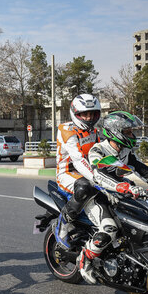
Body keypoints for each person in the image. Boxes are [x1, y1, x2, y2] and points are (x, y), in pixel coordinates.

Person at [77, 111, 148, 284]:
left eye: (131, 131)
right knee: (109, 229)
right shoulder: (98, 149)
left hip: (121, 194)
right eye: (127, 132)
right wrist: (122, 186)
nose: (131, 135)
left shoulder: (125, 150)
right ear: (114, 132)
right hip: (98, 195)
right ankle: (85, 258)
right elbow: (99, 174)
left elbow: (142, 170)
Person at [54, 94, 101, 249]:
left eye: (92, 114)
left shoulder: (95, 131)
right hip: (68, 173)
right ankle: (63, 225)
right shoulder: (66, 130)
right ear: (76, 114)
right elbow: (79, 160)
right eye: (84, 114)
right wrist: (97, 178)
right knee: (85, 187)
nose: (88, 118)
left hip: (88, 172)